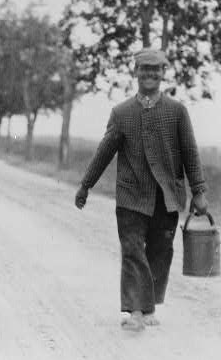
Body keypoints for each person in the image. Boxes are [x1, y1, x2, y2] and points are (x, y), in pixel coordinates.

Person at [75, 48, 208, 331]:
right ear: (136, 72)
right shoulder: (121, 113)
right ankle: (135, 311)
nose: (150, 74)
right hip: (131, 197)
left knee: (161, 251)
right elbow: (104, 152)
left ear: (162, 74)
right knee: (133, 250)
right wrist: (86, 185)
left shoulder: (177, 112)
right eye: (144, 69)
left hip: (167, 197)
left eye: (155, 69)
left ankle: (149, 306)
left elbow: (190, 153)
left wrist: (199, 190)